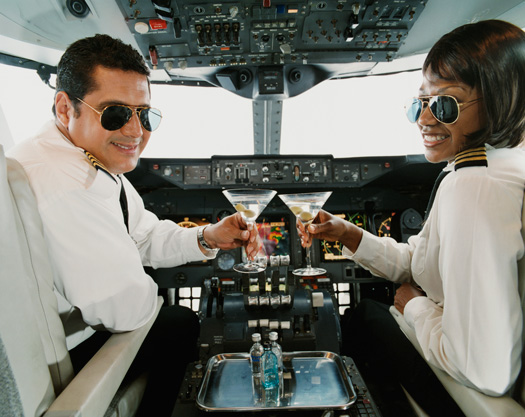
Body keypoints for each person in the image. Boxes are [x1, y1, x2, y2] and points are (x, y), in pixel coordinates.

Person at [7, 34, 259, 416]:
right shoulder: (64, 184)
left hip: (63, 328)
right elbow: (127, 311)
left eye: (144, 114)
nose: (135, 131)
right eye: (115, 114)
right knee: (179, 324)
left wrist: (207, 237)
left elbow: (142, 233)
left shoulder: (83, 155)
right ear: (65, 108)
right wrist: (143, 283)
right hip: (60, 353)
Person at [298, 20, 525, 416]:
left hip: (468, 395)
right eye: (420, 102)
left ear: (501, 100)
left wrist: (415, 307)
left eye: (445, 104)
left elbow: (486, 371)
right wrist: (349, 234)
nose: (424, 119)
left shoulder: (475, 186)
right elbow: (422, 262)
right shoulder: (495, 166)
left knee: (363, 318)